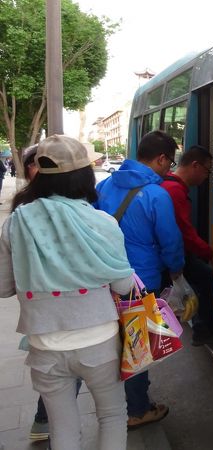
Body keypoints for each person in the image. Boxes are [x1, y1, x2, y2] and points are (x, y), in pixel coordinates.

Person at [0, 135, 134, 450]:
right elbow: (124, 286)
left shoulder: (14, 223)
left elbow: (4, 287)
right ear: (85, 174)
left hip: (44, 344)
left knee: (62, 428)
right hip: (99, 342)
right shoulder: (102, 222)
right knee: (113, 415)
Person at [95, 130, 184, 428]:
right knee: (137, 344)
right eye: (169, 163)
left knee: (116, 339)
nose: (169, 169)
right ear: (160, 159)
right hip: (141, 280)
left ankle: (117, 401)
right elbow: (170, 241)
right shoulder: (157, 195)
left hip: (106, 276)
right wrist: (176, 272)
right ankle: (137, 409)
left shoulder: (104, 186)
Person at [160, 145, 213, 346]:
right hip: (174, 256)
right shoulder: (174, 190)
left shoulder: (168, 185)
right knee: (208, 279)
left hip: (174, 254)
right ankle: (204, 330)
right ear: (195, 166)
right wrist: (210, 253)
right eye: (207, 170)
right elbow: (185, 233)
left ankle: (201, 327)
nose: (206, 177)